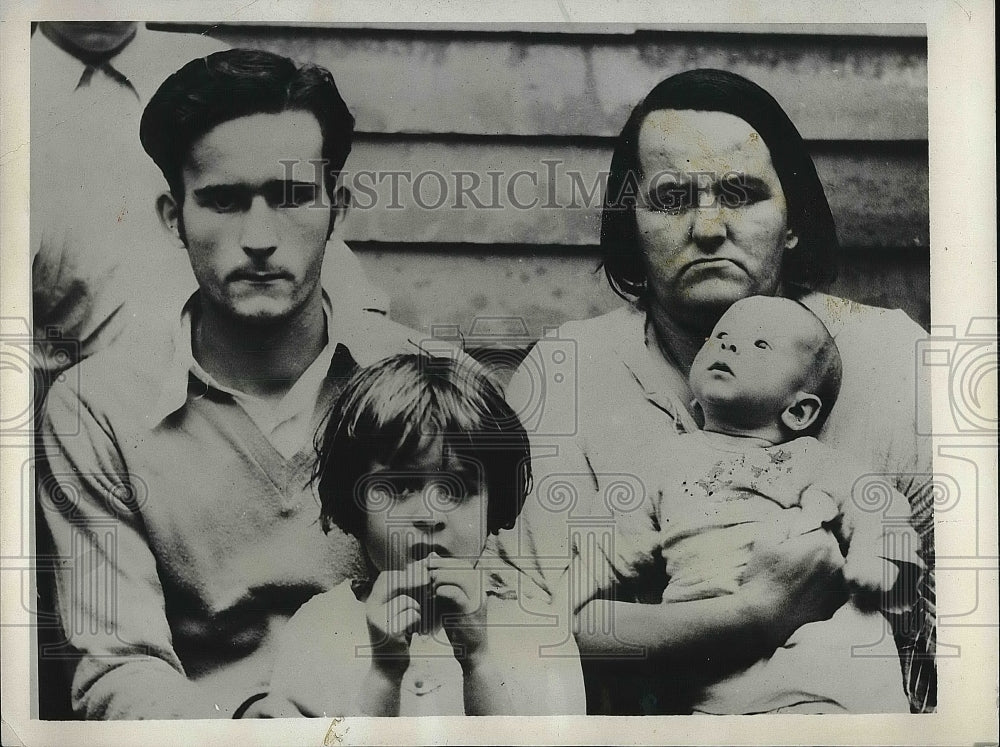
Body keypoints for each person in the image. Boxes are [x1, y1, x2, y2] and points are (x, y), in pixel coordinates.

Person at [494, 68, 934, 713]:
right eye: (671, 198)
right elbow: (522, 624)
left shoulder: (893, 360)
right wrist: (757, 615)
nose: (707, 227)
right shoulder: (570, 372)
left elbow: (948, 620)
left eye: (742, 192)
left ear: (793, 219)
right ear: (631, 227)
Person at [37, 49, 419, 720]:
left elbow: (490, 623)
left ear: (339, 208)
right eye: (223, 200)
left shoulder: (427, 384)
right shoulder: (95, 410)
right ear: (171, 217)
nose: (261, 237)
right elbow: (119, 668)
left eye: (293, 196)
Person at [572, 295, 924, 713]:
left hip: (822, 660)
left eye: (760, 345)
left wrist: (870, 555)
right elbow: (610, 546)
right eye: (720, 336)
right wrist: (567, 596)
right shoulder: (660, 460)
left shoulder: (808, 459)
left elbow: (878, 504)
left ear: (799, 411)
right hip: (714, 671)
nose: (728, 346)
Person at [30, 23, 385, 401]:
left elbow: (306, 230)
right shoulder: (13, 91)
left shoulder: (204, 67)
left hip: (263, 401)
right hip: (95, 420)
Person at [251, 354, 585, 717]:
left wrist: (479, 663)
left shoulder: (540, 632)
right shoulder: (318, 629)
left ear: (495, 501)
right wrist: (384, 675)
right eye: (400, 488)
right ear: (354, 501)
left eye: (458, 491)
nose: (430, 516)